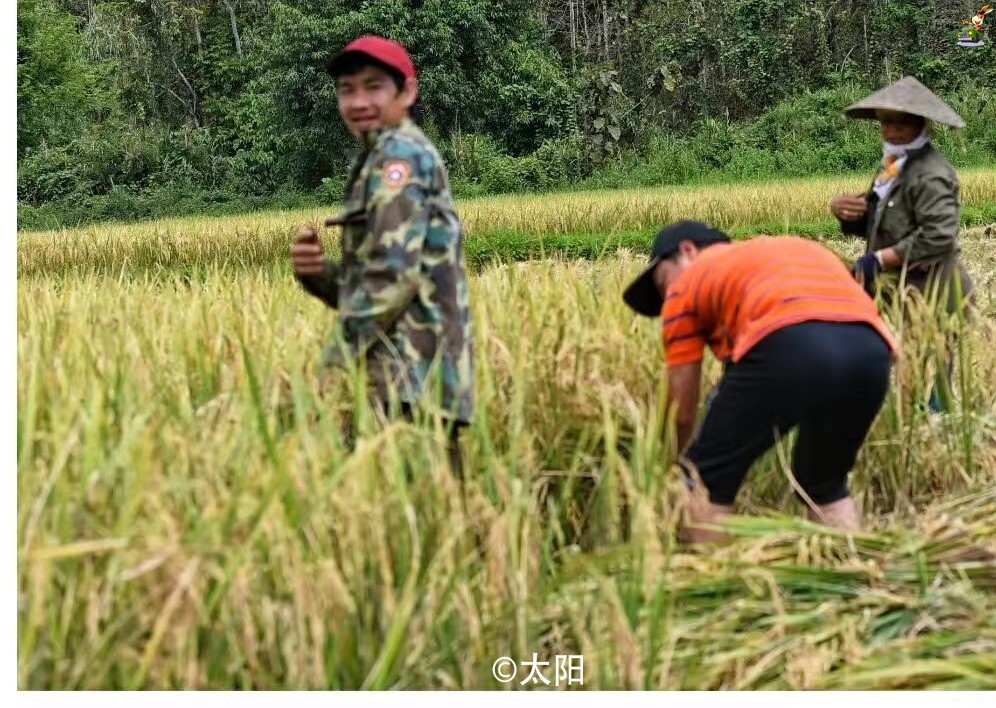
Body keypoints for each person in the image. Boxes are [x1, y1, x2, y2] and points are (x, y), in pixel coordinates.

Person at [623, 221, 898, 543]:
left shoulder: (685, 287)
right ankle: (849, 575)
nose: (665, 294)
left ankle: (710, 583)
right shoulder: (793, 249)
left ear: (687, 251)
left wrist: (669, 464)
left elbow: (681, 411)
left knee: (704, 479)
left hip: (786, 343)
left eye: (661, 281)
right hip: (871, 351)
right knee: (822, 483)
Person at [291, 35, 475, 474]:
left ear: (406, 92)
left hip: (412, 379)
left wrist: (335, 360)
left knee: (417, 519)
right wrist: (319, 275)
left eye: (374, 86)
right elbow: (380, 276)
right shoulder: (377, 158)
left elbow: (393, 279)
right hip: (406, 377)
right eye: (347, 89)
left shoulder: (400, 158)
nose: (358, 101)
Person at [830, 76, 973, 412]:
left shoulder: (931, 173)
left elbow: (938, 235)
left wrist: (879, 259)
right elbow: (875, 223)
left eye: (901, 123)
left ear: (920, 124)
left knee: (934, 372)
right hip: (898, 284)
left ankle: (938, 438)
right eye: (886, 122)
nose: (891, 130)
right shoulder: (893, 168)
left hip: (933, 288)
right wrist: (844, 212)